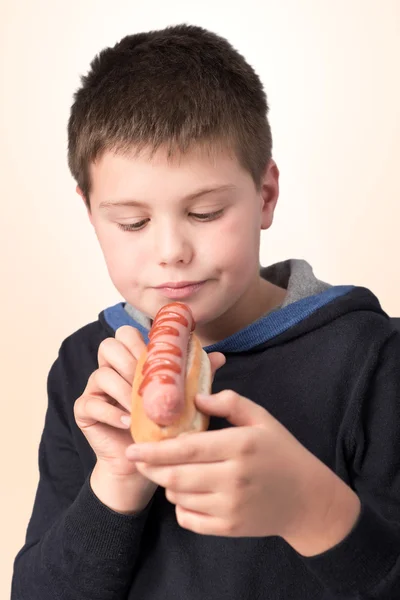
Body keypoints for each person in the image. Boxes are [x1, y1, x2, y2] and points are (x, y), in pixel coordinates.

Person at [11, 24, 400, 600]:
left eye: (206, 212)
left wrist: (311, 509)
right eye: (132, 223)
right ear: (90, 213)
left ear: (264, 196)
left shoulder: (373, 359)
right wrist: (115, 481)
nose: (171, 251)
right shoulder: (85, 369)